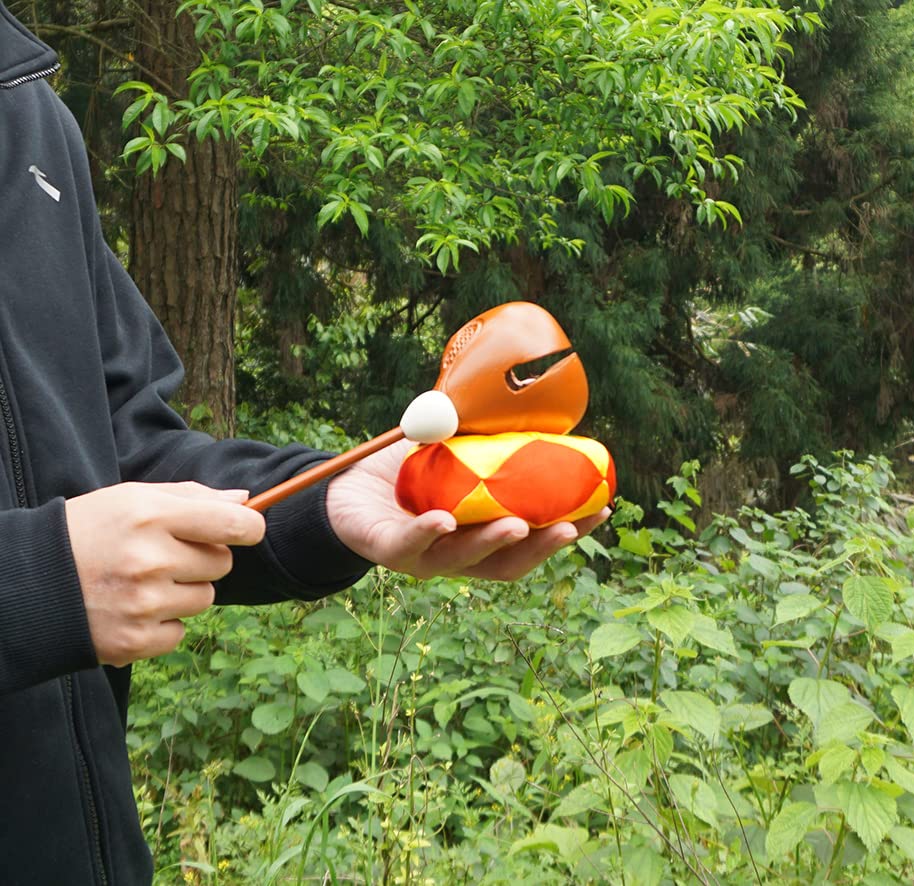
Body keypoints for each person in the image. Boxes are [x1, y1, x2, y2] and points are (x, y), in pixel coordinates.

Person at [0, 4, 607, 881]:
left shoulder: (27, 121)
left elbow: (121, 451)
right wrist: (33, 587)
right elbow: (62, 555)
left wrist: (332, 499)